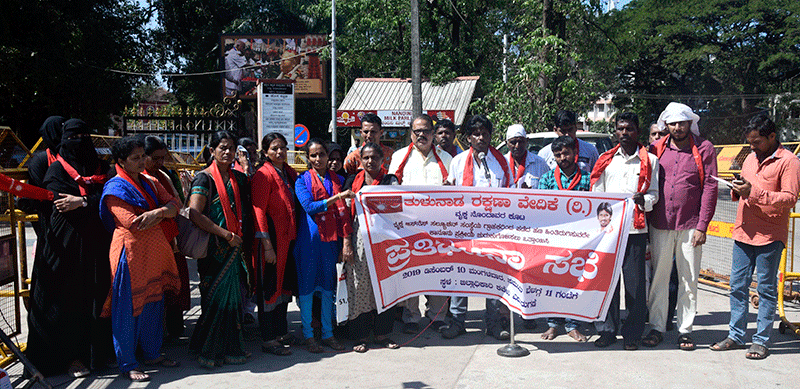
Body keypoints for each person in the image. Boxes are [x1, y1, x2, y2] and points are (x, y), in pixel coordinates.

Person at [28, 119, 114, 377]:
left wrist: (84, 202)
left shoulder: (102, 168)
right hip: (63, 248)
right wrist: (87, 203)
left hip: (96, 248)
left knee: (95, 298)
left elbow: (109, 196)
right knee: (63, 301)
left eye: (83, 136)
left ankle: (95, 355)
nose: (78, 141)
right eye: (72, 136)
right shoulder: (55, 171)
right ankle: (66, 359)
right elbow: (58, 202)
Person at [710, 113, 800, 360]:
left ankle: (761, 341)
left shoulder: (789, 161)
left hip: (770, 235)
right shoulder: (750, 158)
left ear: (772, 136)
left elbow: (790, 198)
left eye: (757, 142)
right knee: (737, 286)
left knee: (767, 289)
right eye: (750, 142)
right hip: (743, 232)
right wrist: (737, 190)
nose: (753, 147)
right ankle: (736, 336)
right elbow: (746, 190)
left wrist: (755, 193)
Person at [100, 136, 181, 382]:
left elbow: (175, 204)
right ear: (121, 162)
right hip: (130, 254)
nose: (141, 161)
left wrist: (158, 212)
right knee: (127, 308)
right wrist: (164, 213)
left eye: (142, 156)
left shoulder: (150, 181)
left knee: (154, 302)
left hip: (153, 252)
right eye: (135, 158)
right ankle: (128, 363)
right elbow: (132, 223)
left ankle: (153, 352)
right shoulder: (115, 188)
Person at [644, 103, 718, 351]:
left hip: (690, 225)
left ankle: (685, 330)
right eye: (673, 123)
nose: (677, 128)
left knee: (689, 280)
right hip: (660, 223)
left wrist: (702, 225)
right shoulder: (657, 148)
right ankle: (656, 327)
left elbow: (709, 187)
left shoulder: (704, 148)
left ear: (690, 123)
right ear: (667, 125)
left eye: (682, 123)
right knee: (659, 279)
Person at [590, 112, 659, 350]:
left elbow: (654, 195)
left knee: (635, 286)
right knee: (607, 284)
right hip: (609, 233)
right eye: (620, 128)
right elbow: (596, 194)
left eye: (629, 128)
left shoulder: (649, 160)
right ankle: (607, 331)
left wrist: (643, 200)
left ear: (637, 131)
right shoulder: (605, 159)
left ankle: (632, 334)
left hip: (635, 232)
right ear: (615, 132)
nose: (624, 133)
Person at [187, 131, 253, 368]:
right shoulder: (203, 179)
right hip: (215, 249)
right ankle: (210, 352)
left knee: (234, 302)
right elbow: (194, 214)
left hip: (235, 248)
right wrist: (225, 234)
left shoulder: (238, 178)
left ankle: (228, 348)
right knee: (215, 303)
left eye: (231, 148)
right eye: (222, 147)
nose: (227, 152)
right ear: (212, 150)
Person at [445, 114, 511, 340]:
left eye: (485, 133)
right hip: (463, 230)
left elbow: (509, 195)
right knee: (460, 275)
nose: (481, 137)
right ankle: (456, 321)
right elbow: (450, 195)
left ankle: (493, 323)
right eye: (476, 134)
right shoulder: (458, 161)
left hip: (493, 231)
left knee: (492, 276)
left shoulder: (501, 162)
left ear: (491, 136)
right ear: (468, 137)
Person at [388, 115, 452, 334]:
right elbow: (389, 191)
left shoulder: (447, 159)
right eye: (417, 131)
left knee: (439, 272)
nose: (421, 135)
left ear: (433, 133)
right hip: (408, 229)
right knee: (410, 273)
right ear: (411, 133)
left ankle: (438, 316)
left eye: (426, 130)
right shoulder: (398, 158)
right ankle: (411, 316)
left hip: (439, 231)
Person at [295, 138, 354, 352]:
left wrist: (345, 241)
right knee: (307, 290)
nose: (318, 159)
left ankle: (328, 334)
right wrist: (337, 197)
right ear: (307, 158)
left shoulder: (338, 179)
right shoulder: (302, 180)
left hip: (330, 242)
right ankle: (309, 336)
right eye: (313, 155)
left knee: (329, 289)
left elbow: (344, 213)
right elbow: (309, 207)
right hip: (309, 242)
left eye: (322, 154)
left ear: (328, 156)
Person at [344, 142, 401, 352]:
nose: (370, 161)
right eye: (366, 157)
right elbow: (343, 213)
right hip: (358, 239)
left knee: (385, 286)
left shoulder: (390, 181)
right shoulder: (352, 181)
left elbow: (397, 207)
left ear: (382, 159)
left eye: (374, 157)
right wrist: (346, 241)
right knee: (360, 287)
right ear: (360, 160)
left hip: (384, 240)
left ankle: (382, 334)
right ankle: (360, 336)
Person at [537, 136, 592, 342]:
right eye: (558, 155)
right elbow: (542, 208)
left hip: (581, 240)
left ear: (575, 153)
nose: (563, 158)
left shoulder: (588, 179)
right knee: (552, 281)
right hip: (555, 240)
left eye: (566, 153)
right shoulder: (547, 179)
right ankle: (553, 324)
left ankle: (573, 324)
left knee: (576, 281)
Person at [251, 133, 299, 356]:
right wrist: (267, 245)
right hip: (271, 244)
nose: (280, 152)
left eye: (283, 148)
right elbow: (258, 210)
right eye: (274, 148)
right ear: (265, 152)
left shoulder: (287, 173)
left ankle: (281, 332)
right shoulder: (263, 174)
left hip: (287, 240)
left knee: (283, 288)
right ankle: (269, 338)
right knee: (270, 288)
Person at [143, 136, 191, 341]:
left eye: (163, 158)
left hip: (171, 240)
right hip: (149, 243)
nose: (159, 163)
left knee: (175, 285)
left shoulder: (165, 176)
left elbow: (177, 204)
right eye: (155, 158)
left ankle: (173, 328)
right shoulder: (138, 178)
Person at [504, 124, 549, 189]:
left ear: (527, 141)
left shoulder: (540, 163)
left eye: (520, 141)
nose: (517, 146)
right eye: (513, 142)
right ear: (507, 144)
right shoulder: (501, 163)